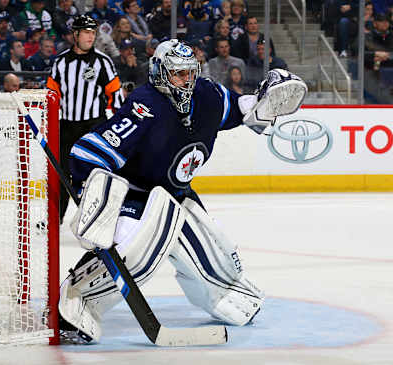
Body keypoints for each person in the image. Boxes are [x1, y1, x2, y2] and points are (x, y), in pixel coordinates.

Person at [57, 39, 307, 344]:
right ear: (160, 73)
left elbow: (240, 108)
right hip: (137, 195)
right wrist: (93, 195)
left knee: (217, 257)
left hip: (177, 194)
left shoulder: (208, 94)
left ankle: (224, 296)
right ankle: (75, 301)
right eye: (178, 74)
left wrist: (261, 103)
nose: (187, 80)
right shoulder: (145, 106)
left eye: (190, 72)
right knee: (135, 253)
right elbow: (87, 152)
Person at [46, 14, 123, 225]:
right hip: (66, 127)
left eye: (93, 33)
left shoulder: (103, 62)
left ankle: (96, 220)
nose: (91, 37)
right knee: (59, 174)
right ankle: (54, 219)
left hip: (92, 127)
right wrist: (51, 126)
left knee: (95, 176)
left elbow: (115, 95)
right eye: (87, 33)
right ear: (75, 34)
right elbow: (51, 97)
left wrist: (114, 128)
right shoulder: (61, 63)